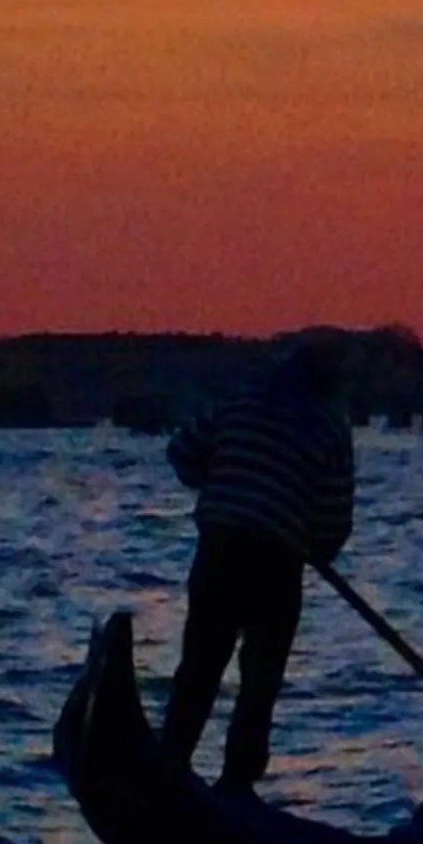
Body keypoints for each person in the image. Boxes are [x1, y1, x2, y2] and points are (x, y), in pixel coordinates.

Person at [162, 340, 357, 793]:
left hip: (221, 547)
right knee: (261, 678)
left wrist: (223, 480)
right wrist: (314, 545)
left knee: (201, 662)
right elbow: (333, 520)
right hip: (277, 559)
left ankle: (172, 758)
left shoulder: (239, 403)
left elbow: (183, 454)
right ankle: (237, 784)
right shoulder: (330, 427)